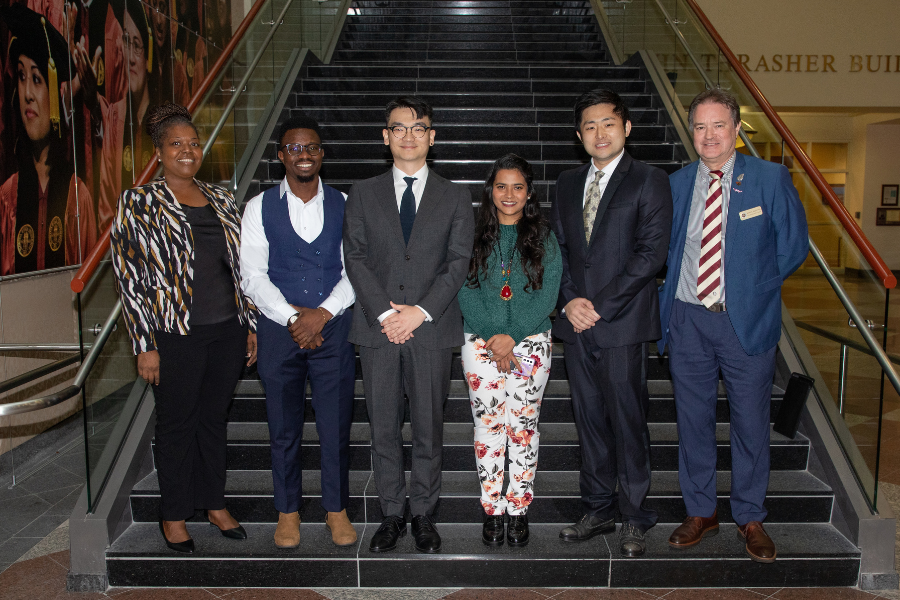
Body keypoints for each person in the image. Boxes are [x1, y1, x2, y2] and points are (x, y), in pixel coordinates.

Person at [658, 88, 808, 563]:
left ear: (737, 129)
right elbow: (666, 249)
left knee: (750, 423)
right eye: (700, 126)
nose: (709, 135)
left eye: (718, 125)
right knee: (693, 421)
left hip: (744, 321)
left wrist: (754, 290)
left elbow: (793, 246)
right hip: (687, 319)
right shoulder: (677, 183)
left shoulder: (769, 178)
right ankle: (700, 511)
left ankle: (750, 516)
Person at [110, 102, 258, 554]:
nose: (188, 151)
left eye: (193, 143)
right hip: (173, 334)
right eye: (176, 144)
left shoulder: (222, 199)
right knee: (176, 424)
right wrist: (144, 344)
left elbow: (242, 268)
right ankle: (174, 514)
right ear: (159, 152)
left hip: (227, 330)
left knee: (214, 420)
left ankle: (214, 504)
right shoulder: (138, 202)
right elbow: (129, 278)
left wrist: (250, 325)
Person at [343, 95, 474, 554]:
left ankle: (423, 513)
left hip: (431, 328)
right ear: (386, 137)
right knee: (382, 428)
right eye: (399, 128)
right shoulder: (363, 192)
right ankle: (391, 514)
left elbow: (458, 261)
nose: (409, 136)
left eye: (418, 128)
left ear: (431, 137)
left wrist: (419, 311)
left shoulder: (454, 195)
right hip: (377, 330)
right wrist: (386, 314)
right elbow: (355, 257)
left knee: (427, 428)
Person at [550, 89, 673, 557]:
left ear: (626, 128)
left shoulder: (649, 180)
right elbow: (557, 251)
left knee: (627, 422)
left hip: (621, 323)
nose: (599, 133)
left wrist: (598, 306)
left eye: (608, 123)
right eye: (589, 126)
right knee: (589, 422)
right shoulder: (566, 182)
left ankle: (635, 516)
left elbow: (650, 255)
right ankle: (598, 509)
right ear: (578, 134)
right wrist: (569, 302)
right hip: (576, 325)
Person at [240, 116, 357, 549]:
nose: (303, 155)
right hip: (278, 332)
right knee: (283, 427)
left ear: (321, 154)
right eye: (294, 148)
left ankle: (335, 509)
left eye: (311, 147)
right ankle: (287, 511)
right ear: (280, 156)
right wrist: (294, 319)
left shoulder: (346, 204)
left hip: (333, 330)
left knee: (335, 425)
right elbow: (252, 275)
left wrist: (321, 314)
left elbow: (355, 271)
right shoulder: (258, 207)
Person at [458, 154, 561, 547]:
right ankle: (492, 507)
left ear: (529, 192)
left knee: (523, 427)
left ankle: (517, 507)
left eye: (518, 187)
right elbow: (464, 289)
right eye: (501, 186)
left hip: (531, 342)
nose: (509, 194)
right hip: (481, 343)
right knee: (488, 427)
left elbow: (548, 294)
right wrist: (494, 335)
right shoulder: (471, 236)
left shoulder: (544, 238)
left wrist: (512, 335)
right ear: (490, 191)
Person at [0, 4, 97, 275]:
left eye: (37, 79)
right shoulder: (7, 198)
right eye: (21, 77)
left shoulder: (77, 198)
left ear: (55, 93)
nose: (27, 93)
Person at [74, 0, 156, 230]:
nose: (131, 58)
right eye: (127, 43)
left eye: (138, 46)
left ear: (148, 57)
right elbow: (107, 209)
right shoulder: (115, 118)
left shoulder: (165, 121)